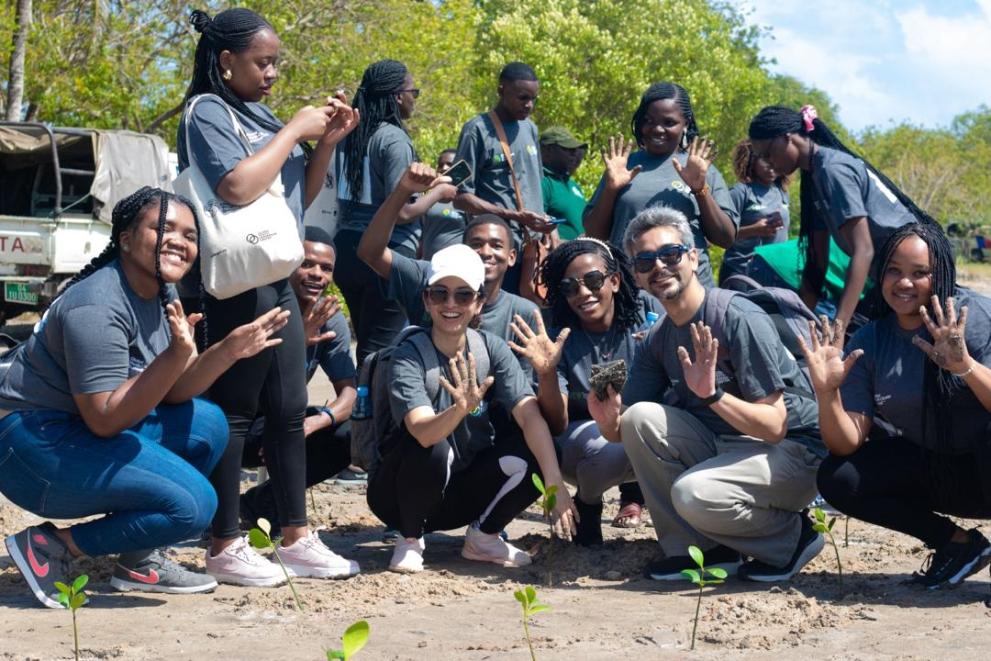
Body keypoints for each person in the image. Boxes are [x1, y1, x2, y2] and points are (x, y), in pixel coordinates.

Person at [0, 188, 285, 607]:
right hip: (30, 451)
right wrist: (175, 355)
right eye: (163, 227)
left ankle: (139, 561)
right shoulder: (96, 304)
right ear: (126, 238)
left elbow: (171, 393)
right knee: (194, 505)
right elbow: (105, 419)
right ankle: (53, 546)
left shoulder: (158, 292)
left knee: (207, 424)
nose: (179, 241)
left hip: (73, 431)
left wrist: (226, 351)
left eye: (190, 235)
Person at [179, 8, 360, 585]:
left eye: (276, 62)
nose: (273, 73)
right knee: (235, 411)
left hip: (274, 271)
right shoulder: (206, 111)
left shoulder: (257, 113)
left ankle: (296, 535)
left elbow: (292, 200)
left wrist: (325, 143)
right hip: (235, 281)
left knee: (286, 411)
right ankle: (224, 541)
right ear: (226, 60)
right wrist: (291, 131)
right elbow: (235, 187)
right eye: (263, 62)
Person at [586, 205, 823, 582]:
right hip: (727, 444)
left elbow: (775, 426)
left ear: (694, 257)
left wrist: (713, 395)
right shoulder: (660, 337)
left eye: (670, 254)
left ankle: (792, 539)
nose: (659, 266)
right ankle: (701, 552)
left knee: (693, 493)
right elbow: (624, 431)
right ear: (636, 275)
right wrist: (607, 422)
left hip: (793, 451)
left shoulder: (737, 318)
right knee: (638, 417)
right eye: (645, 261)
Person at [365, 244, 578, 573]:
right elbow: (421, 432)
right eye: (440, 294)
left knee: (543, 449)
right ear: (426, 299)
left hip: (458, 494)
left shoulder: (490, 348)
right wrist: (458, 410)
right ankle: (408, 540)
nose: (451, 304)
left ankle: (484, 537)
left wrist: (554, 482)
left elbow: (529, 414)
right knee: (434, 447)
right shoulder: (408, 354)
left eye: (463, 295)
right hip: (397, 494)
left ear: (478, 302)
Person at [810, 223, 991, 589]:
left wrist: (964, 366)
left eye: (919, 273)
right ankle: (957, 545)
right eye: (894, 270)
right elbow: (846, 443)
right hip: (949, 472)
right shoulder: (871, 340)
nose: (904, 283)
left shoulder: (972, 318)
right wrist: (828, 393)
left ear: (940, 274)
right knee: (839, 476)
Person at [510, 238, 661, 545]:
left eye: (593, 280)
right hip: (584, 444)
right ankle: (589, 503)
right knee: (611, 447)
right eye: (570, 287)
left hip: (646, 430)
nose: (583, 293)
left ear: (615, 281)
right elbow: (557, 423)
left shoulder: (647, 315)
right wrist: (548, 373)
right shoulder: (558, 339)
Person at [748, 105, 930, 328]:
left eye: (768, 154)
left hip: (916, 273)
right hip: (886, 276)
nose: (768, 163)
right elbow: (817, 262)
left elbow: (863, 250)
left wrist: (838, 328)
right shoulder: (814, 177)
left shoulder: (832, 170)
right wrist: (800, 324)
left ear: (787, 139)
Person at [240, 226, 358, 530]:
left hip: (282, 422)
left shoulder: (330, 318)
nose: (317, 274)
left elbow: (350, 394)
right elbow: (245, 389)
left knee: (349, 434)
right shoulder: (261, 307)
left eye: (326, 268)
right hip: (238, 423)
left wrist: (315, 422)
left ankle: (260, 504)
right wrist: (298, 341)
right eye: (307, 264)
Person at [333, 59, 442, 365]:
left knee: (367, 341)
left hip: (345, 249)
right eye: (413, 92)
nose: (413, 99)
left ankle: (362, 401)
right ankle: (369, 408)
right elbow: (403, 212)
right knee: (382, 348)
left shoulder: (350, 134)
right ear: (397, 96)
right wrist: (439, 194)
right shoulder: (392, 138)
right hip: (383, 253)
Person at [358, 163, 540, 343]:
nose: (485, 252)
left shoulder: (523, 314)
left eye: (496, 245)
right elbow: (370, 252)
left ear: (512, 257)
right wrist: (403, 190)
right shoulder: (426, 276)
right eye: (439, 294)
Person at [582, 82, 738, 288]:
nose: (657, 129)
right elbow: (595, 236)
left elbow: (726, 238)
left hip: (690, 291)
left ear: (686, 123)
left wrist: (700, 189)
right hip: (633, 289)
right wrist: (611, 189)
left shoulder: (701, 167)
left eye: (669, 122)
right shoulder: (623, 166)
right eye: (648, 121)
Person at [453, 61, 554, 295]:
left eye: (533, 99)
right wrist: (514, 216)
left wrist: (550, 230)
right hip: (493, 253)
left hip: (530, 251)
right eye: (522, 97)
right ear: (501, 90)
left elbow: (535, 187)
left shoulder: (530, 129)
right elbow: (458, 196)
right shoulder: (476, 130)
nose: (529, 105)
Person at [720, 140, 791, 284]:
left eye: (775, 157)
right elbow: (719, 235)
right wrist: (754, 230)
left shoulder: (782, 192)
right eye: (765, 158)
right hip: (741, 273)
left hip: (774, 274)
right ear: (752, 160)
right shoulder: (740, 192)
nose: (772, 163)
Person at [540, 126, 588, 241]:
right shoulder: (543, 181)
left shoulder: (573, 185)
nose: (574, 154)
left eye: (575, 150)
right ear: (548, 150)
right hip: (559, 255)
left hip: (584, 253)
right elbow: (536, 226)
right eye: (568, 149)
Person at [420, 148, 469, 259]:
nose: (444, 168)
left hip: (456, 266)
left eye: (449, 164)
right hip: (428, 264)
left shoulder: (465, 200)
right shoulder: (427, 197)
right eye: (440, 165)